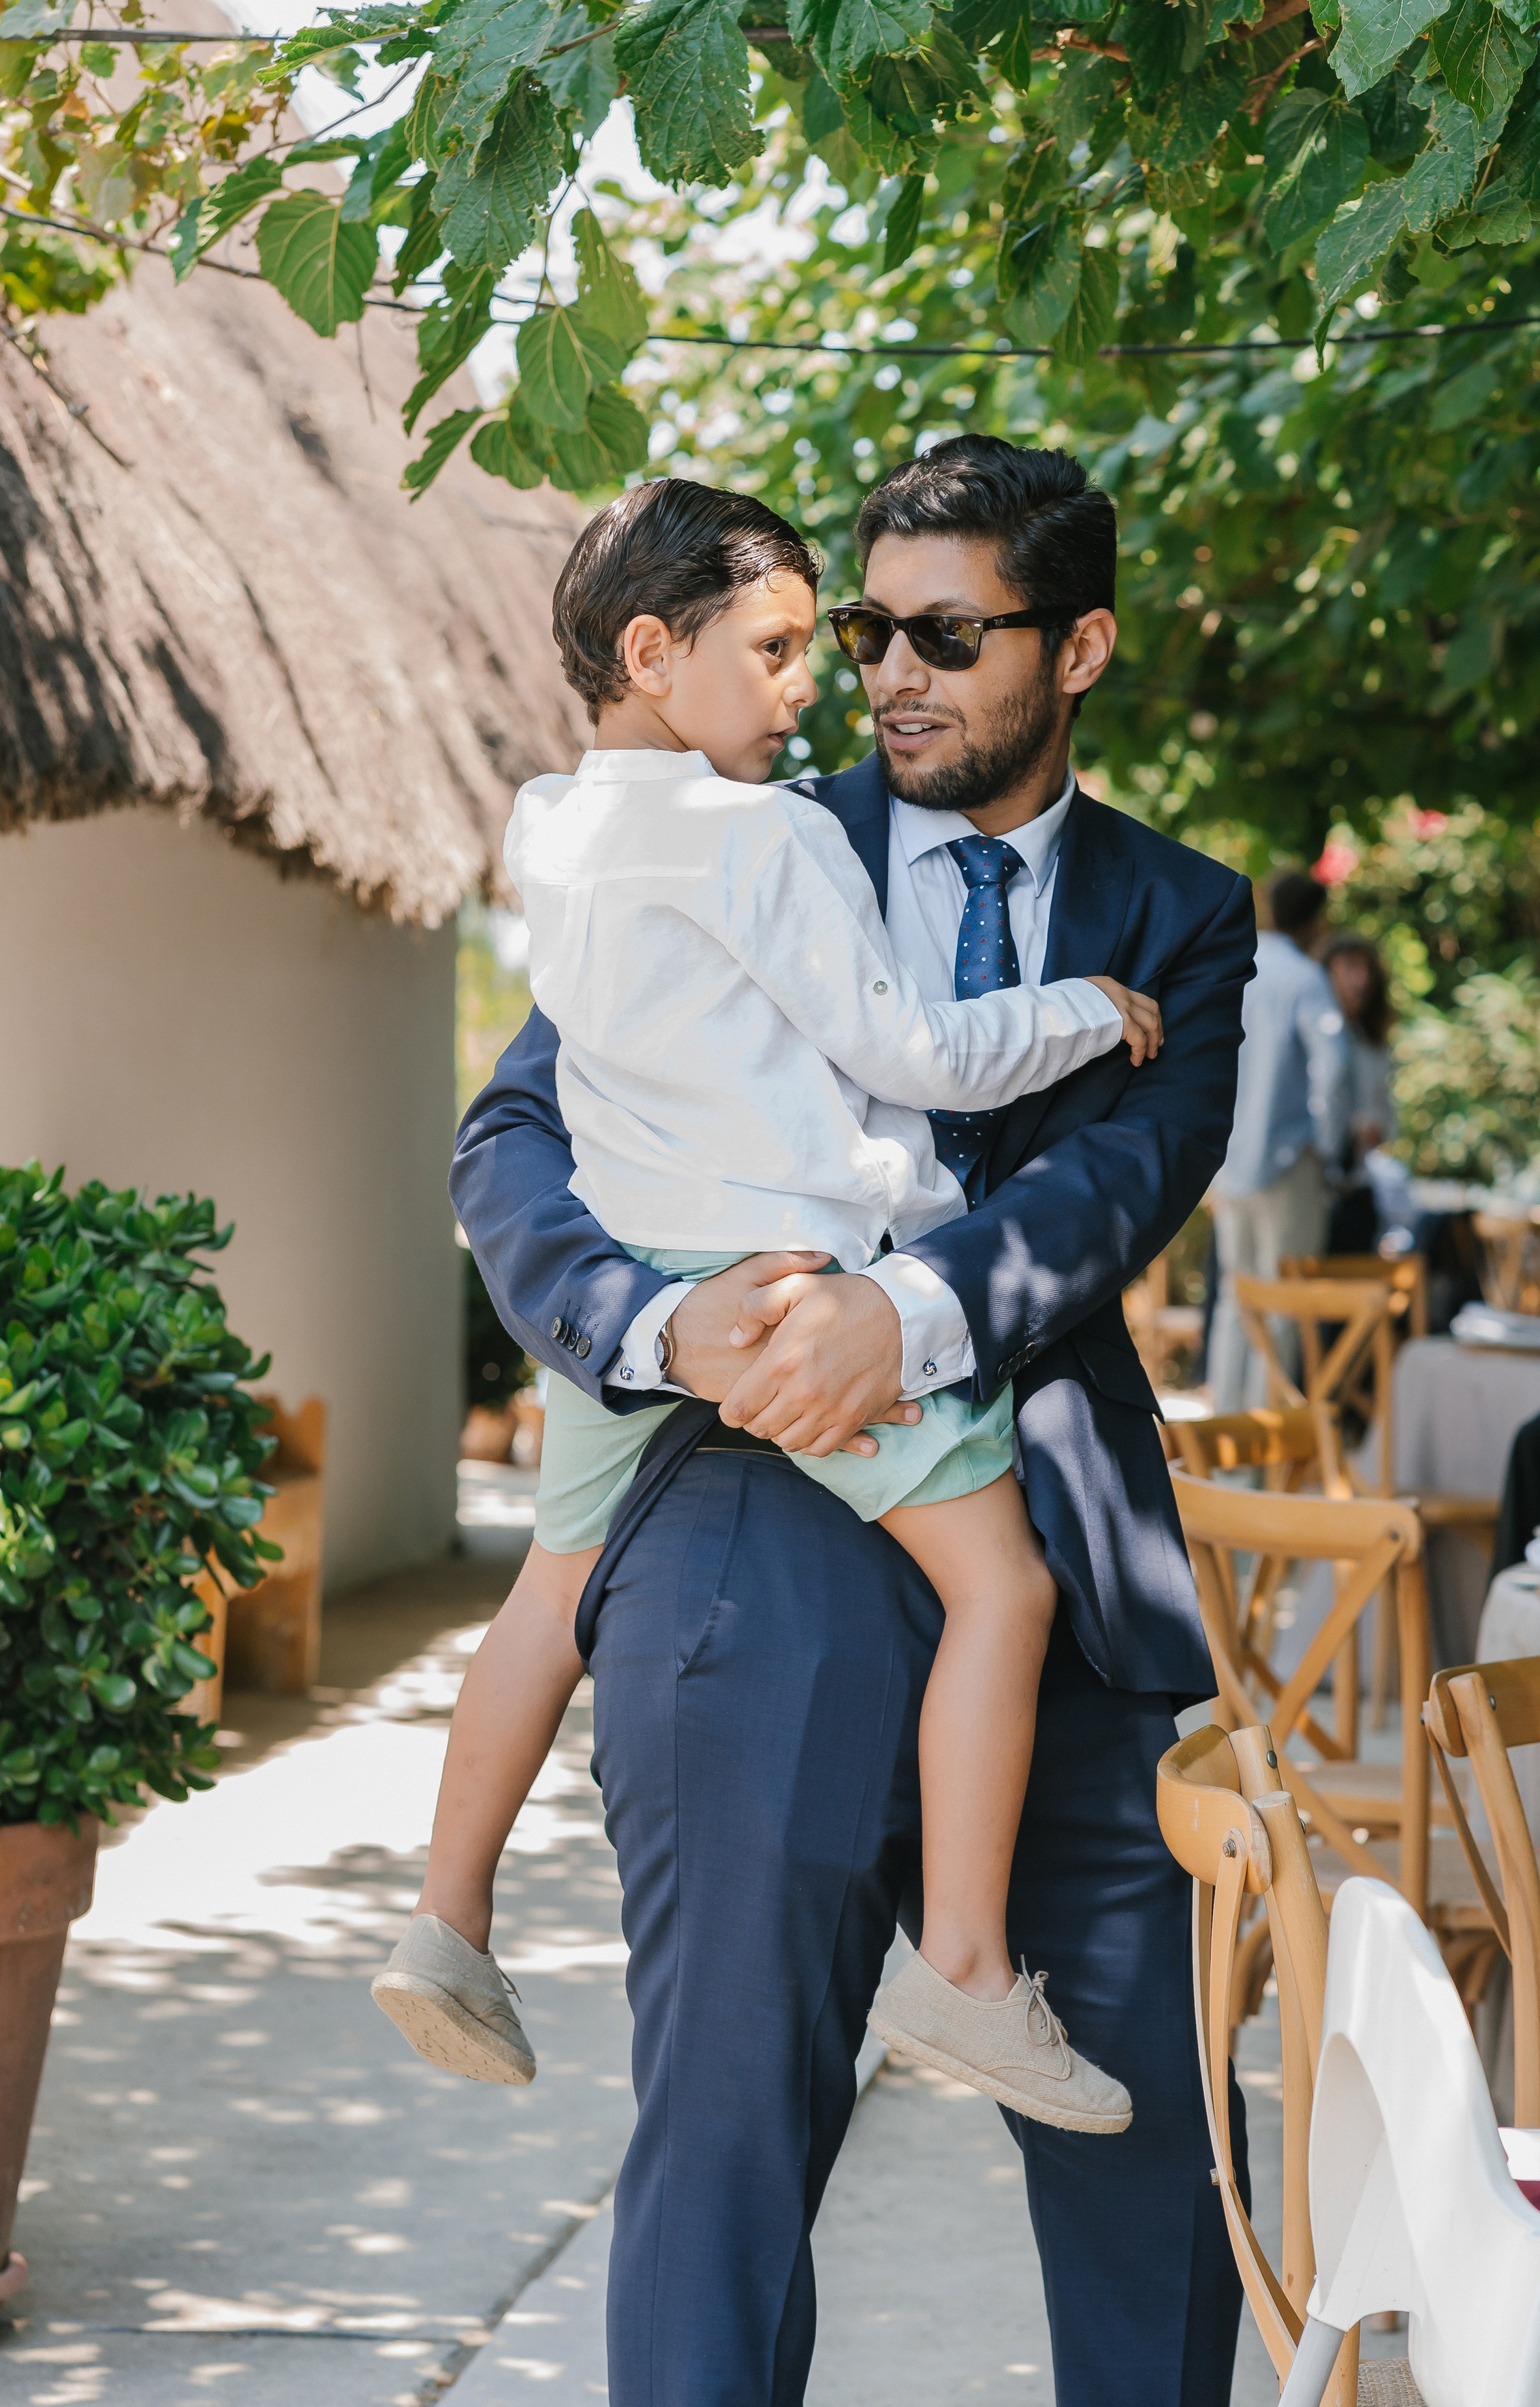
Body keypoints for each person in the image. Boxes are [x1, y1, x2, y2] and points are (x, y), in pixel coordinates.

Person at [448, 437, 1257, 2407]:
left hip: (1047, 1564)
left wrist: (901, 1314)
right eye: (869, 628)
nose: (889, 671)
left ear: (1079, 650)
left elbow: (1115, 1185)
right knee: (720, 2161)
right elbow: (514, 1135)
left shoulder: (1183, 914)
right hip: (748, 1561)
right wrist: (651, 1324)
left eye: (947, 633)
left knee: (1164, 2165)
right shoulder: (722, 827)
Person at [373, 479, 1157, 2134]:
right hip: (798, 1294)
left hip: (642, 1289)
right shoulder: (772, 831)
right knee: (1001, 1589)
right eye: (783, 647)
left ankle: (447, 1917)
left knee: (548, 1590)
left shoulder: (547, 823)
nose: (819, 686)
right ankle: (959, 1961)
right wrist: (1086, 1007)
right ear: (656, 652)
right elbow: (912, 1056)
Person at [1204, 868, 1353, 1412]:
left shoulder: (1233, 966)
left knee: (1232, 1300)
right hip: (1288, 1162)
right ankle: (1267, 1448)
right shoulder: (1305, 978)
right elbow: (1334, 1067)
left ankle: (1223, 1445)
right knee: (1282, 1306)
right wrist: (1329, 1145)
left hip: (1229, 1160)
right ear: (1317, 919)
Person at [1321, 930, 1396, 1256]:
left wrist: (1373, 1129)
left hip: (1356, 1191)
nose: (1361, 980)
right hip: (1310, 1191)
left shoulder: (1373, 1046)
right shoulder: (1311, 1037)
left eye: (1367, 969)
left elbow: (1390, 1118)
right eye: (1350, 967)